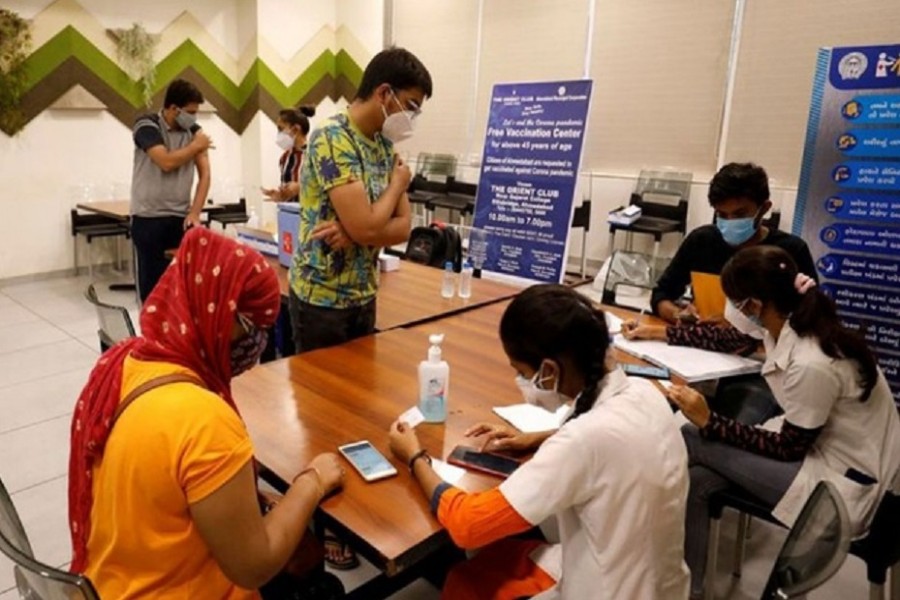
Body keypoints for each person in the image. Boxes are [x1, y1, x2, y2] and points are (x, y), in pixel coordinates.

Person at [68, 228, 346, 599]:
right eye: (253, 328)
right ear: (216, 315)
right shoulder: (204, 419)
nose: (258, 344)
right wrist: (311, 482)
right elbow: (253, 565)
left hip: (114, 582)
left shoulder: (124, 363)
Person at [388, 284, 691, 599]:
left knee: (469, 574)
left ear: (548, 370)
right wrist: (534, 438)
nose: (521, 382)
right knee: (513, 552)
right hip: (659, 585)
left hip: (606, 590)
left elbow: (468, 525)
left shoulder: (581, 441)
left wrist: (414, 456)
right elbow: (614, 438)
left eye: (521, 372)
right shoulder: (646, 392)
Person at [668, 246, 900, 599]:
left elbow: (788, 448)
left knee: (690, 434)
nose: (730, 311)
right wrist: (659, 334)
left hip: (846, 489)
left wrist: (710, 421)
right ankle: (691, 593)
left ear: (755, 306)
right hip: (823, 453)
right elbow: (729, 338)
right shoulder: (788, 323)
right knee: (699, 481)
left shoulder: (812, 360)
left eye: (734, 301)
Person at [641, 162, 819, 423]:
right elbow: (661, 295)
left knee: (730, 427)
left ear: (764, 209)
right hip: (700, 354)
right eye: (721, 215)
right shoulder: (702, 241)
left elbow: (809, 322)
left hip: (759, 367)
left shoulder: (789, 252)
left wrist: (749, 329)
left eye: (739, 214)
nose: (729, 223)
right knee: (650, 412)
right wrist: (680, 315)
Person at [288, 46, 432, 354]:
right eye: (409, 106)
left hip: (364, 295)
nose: (411, 118)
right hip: (322, 300)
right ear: (384, 93)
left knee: (359, 397)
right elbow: (368, 228)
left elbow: (404, 227)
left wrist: (353, 233)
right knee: (321, 399)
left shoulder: (383, 144)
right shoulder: (333, 136)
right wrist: (396, 185)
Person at [130, 78, 213, 303]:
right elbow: (165, 162)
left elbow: (205, 174)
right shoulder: (146, 125)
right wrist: (196, 146)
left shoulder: (194, 131)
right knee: (153, 290)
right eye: (190, 112)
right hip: (148, 218)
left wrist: (195, 212)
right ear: (173, 109)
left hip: (180, 218)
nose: (194, 117)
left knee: (182, 287)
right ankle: (151, 336)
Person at [262, 106, 316, 203]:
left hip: (311, 214)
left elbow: (329, 187)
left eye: (281, 129)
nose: (279, 134)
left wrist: (300, 187)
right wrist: (281, 195)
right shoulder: (285, 158)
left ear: (295, 129)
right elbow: (289, 192)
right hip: (289, 213)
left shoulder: (316, 154)